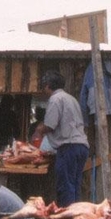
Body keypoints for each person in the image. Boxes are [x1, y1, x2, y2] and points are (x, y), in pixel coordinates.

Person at [37, 70, 89, 207]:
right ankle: (76, 218)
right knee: (75, 185)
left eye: (44, 87)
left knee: (65, 186)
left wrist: (39, 130)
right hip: (81, 146)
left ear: (48, 85)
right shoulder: (71, 98)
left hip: (69, 147)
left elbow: (50, 125)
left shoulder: (55, 99)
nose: (44, 90)